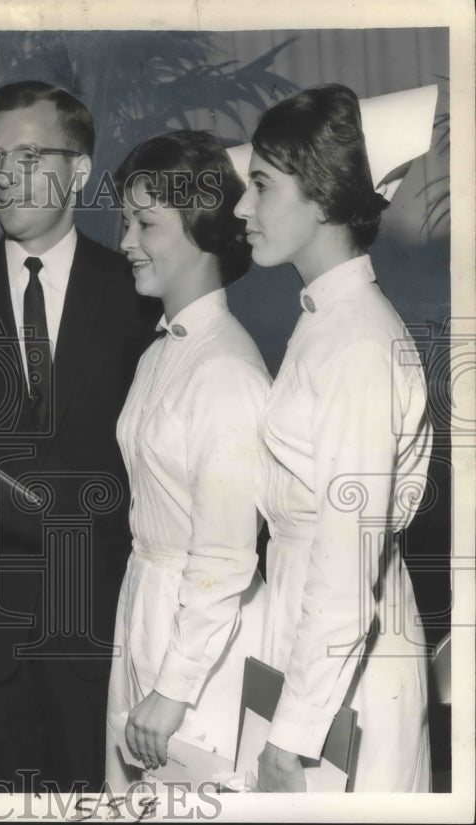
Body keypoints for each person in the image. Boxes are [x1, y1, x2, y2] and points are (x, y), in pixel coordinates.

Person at [0, 80, 161, 791]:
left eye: (28, 155)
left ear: (79, 171)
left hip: (104, 635)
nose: (3, 175)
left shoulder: (138, 289)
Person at [232, 83, 432, 792]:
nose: (241, 208)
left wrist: (289, 740)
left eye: (259, 185)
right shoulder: (323, 321)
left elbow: (348, 570)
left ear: (320, 195)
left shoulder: (355, 343)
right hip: (308, 647)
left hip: (344, 677)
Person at [104, 131, 269, 792]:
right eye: (124, 222)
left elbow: (228, 558)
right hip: (145, 604)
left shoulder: (227, 370)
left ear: (203, 229)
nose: (125, 241)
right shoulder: (159, 352)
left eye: (145, 223)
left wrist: (173, 689)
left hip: (203, 645)